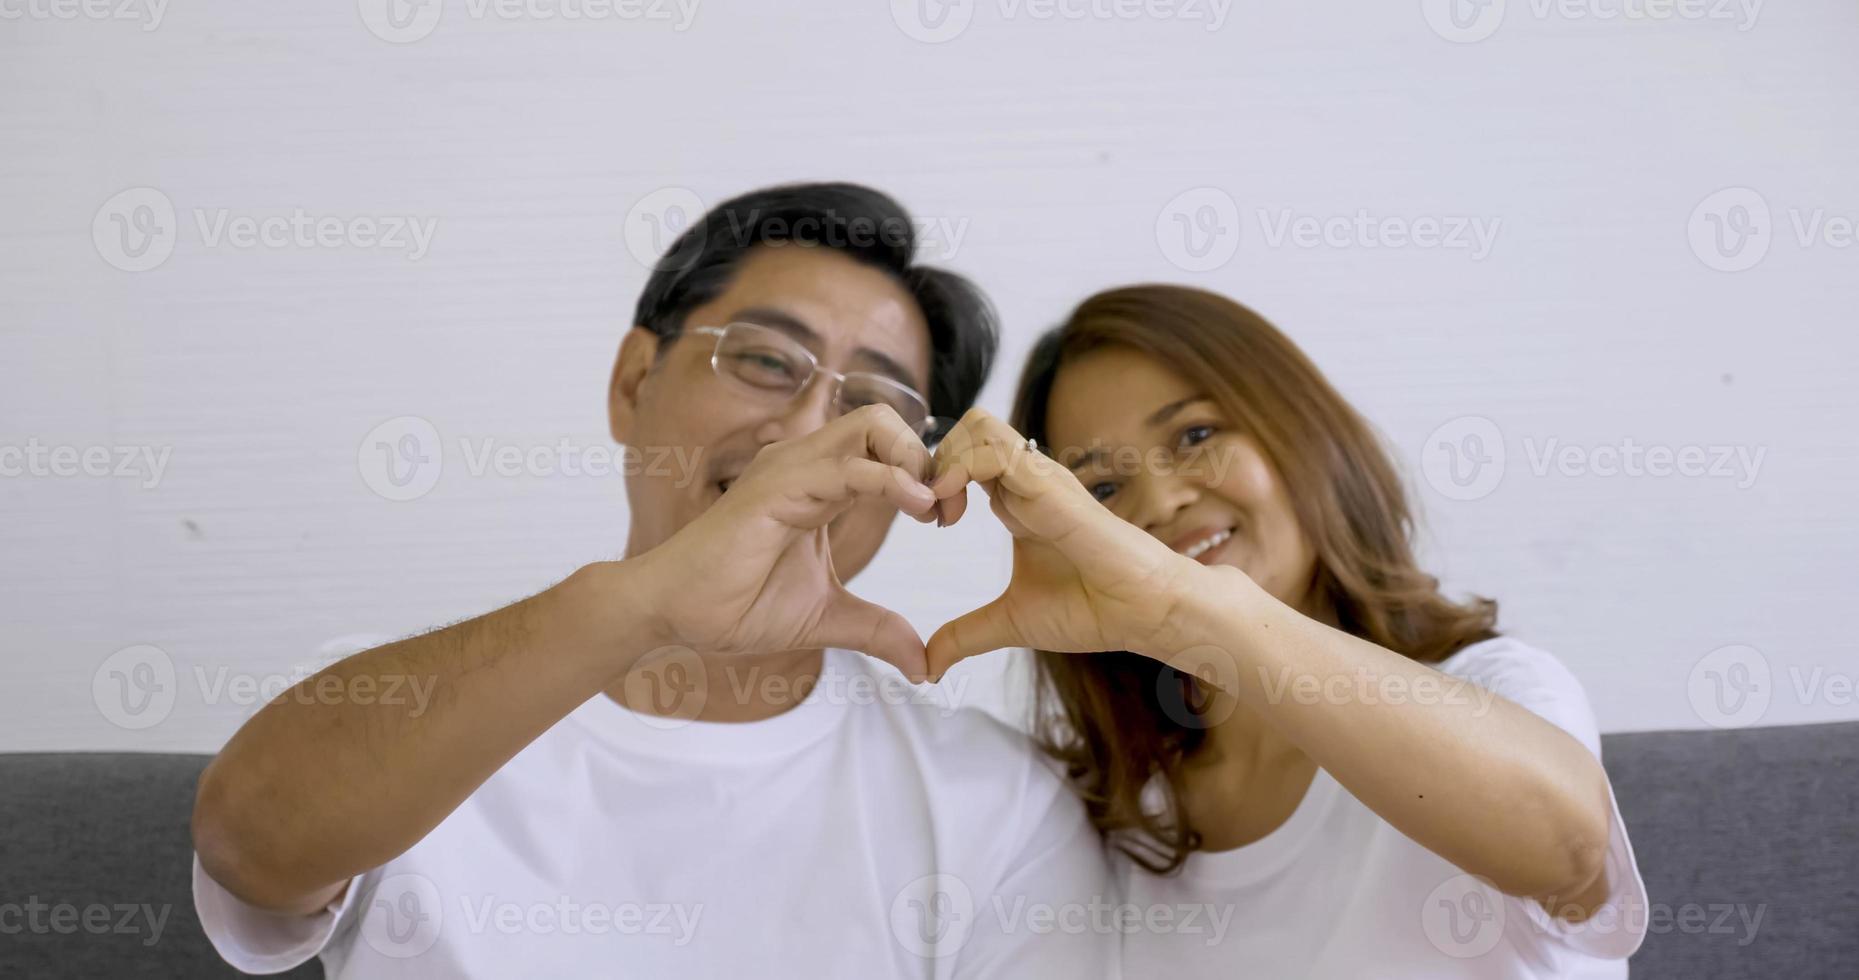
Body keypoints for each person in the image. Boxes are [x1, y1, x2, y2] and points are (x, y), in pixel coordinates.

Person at [188, 183, 1114, 978]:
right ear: (633, 383)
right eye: (762, 360)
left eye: (869, 404)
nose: (802, 432)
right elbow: (248, 848)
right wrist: (644, 607)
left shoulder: (995, 803)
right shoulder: (416, 703)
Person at [920, 284, 1649, 978]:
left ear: (1299, 429)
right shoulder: (1120, 808)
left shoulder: (1490, 689)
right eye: (1104, 488)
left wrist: (1195, 613)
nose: (1163, 499)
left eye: (1195, 434)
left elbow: (1572, 856)